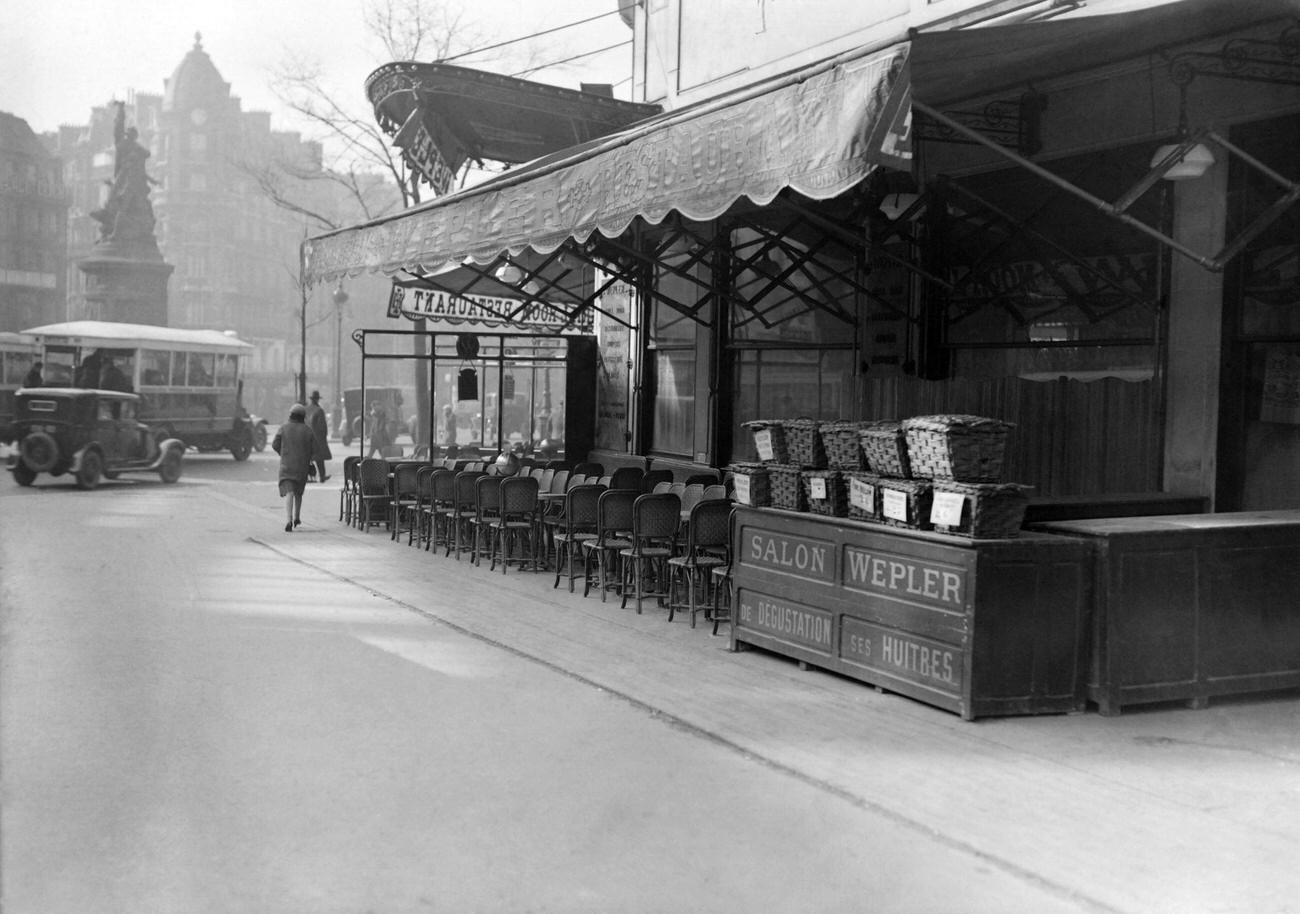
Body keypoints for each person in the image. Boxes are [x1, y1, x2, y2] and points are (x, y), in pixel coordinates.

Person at [272, 403, 325, 533]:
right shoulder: (308, 430)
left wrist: (282, 452)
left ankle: (288, 519)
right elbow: (316, 449)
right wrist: (308, 457)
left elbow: (275, 444)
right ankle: (297, 517)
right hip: (302, 467)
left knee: (289, 492)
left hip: (286, 465)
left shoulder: (283, 428)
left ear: (291, 415)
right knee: (298, 492)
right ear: (302, 416)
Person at [305, 390, 332, 482]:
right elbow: (322, 427)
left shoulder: (305, 409)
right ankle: (322, 476)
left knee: (308, 458)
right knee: (319, 459)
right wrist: (324, 436)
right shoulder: (319, 410)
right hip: (317, 438)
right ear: (317, 399)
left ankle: (307, 476)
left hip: (306, 437)